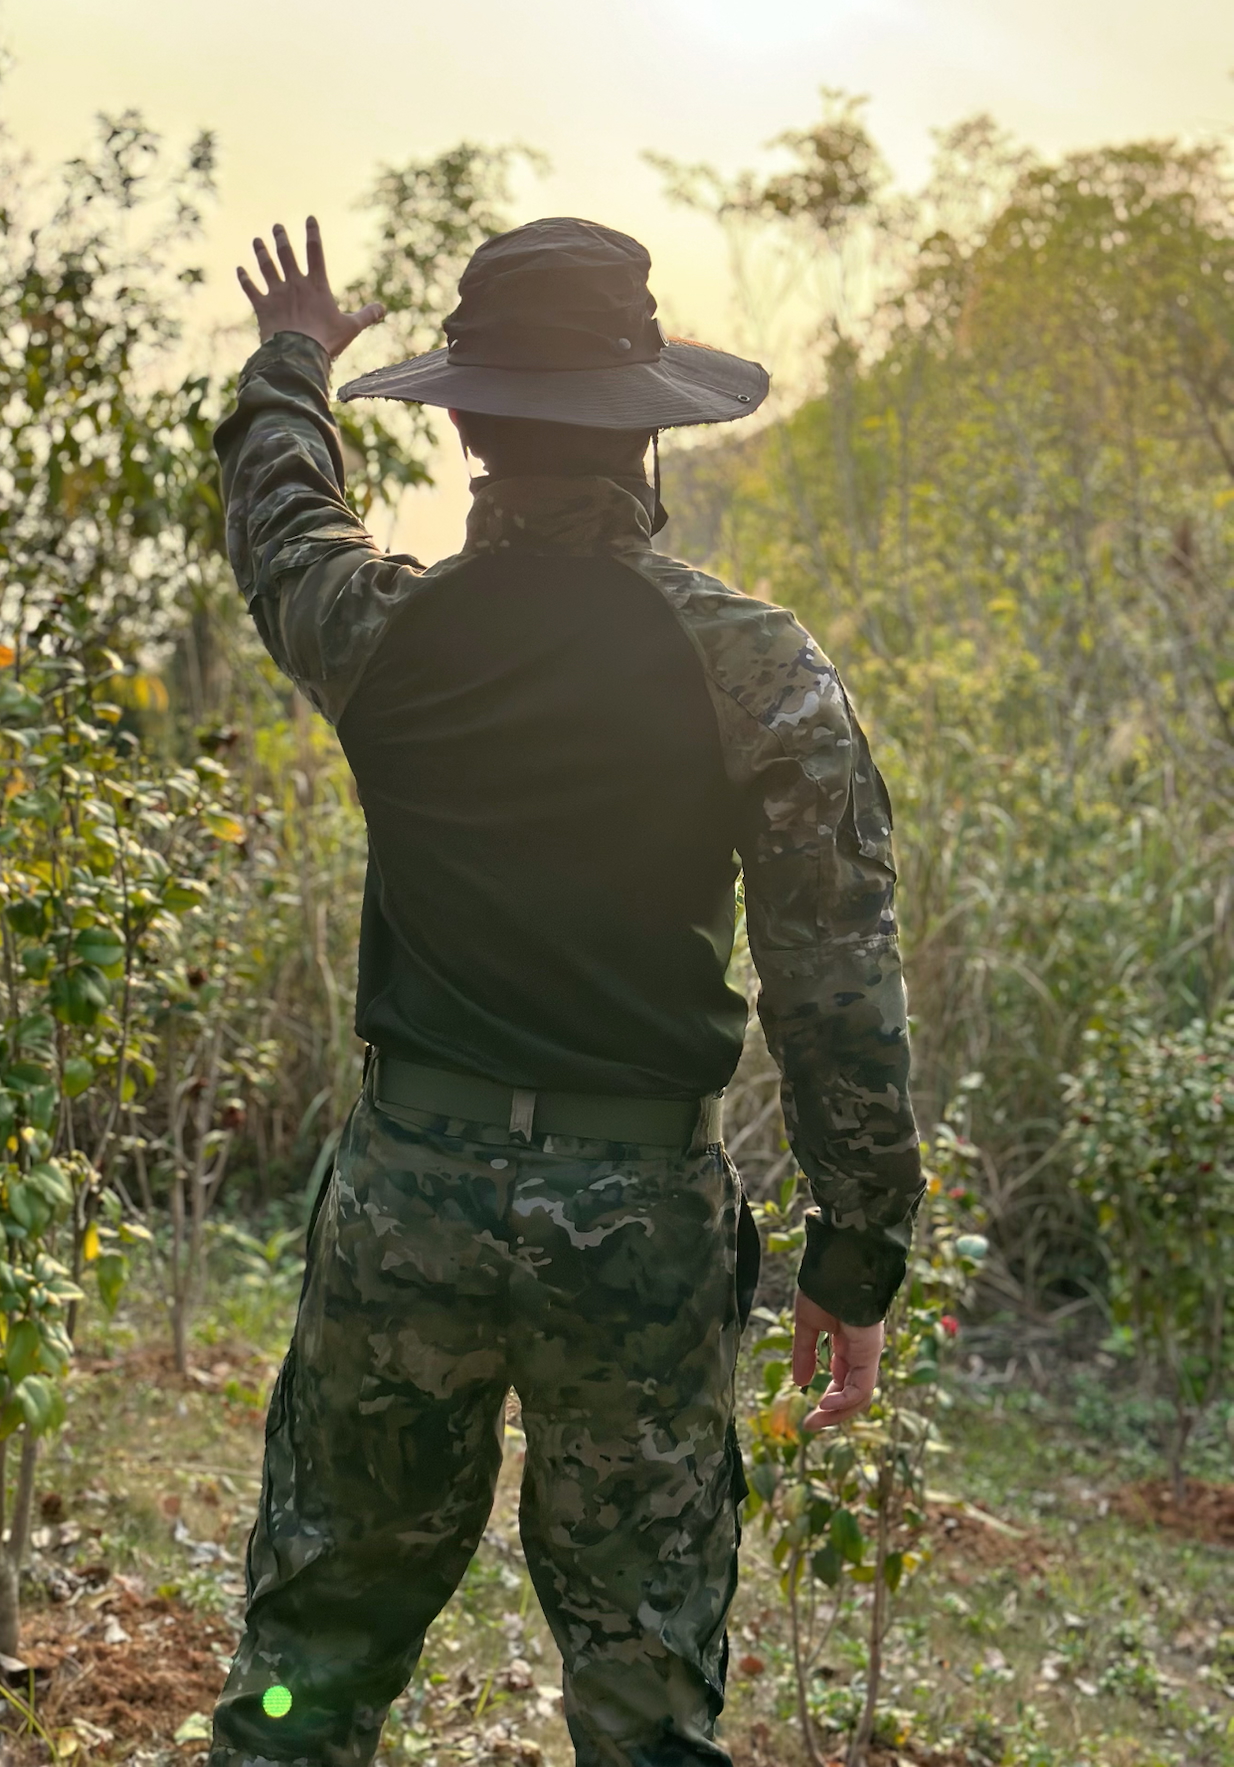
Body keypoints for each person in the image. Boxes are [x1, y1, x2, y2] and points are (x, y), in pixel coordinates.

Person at [207, 214, 924, 1767]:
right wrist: (853, 1251)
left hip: (405, 1200)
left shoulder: (383, 635)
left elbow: (279, 521)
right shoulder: (756, 670)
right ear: (650, 428)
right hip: (639, 1231)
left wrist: (295, 360)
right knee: (644, 1690)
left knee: (311, 1661)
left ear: (458, 420)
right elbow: (837, 982)